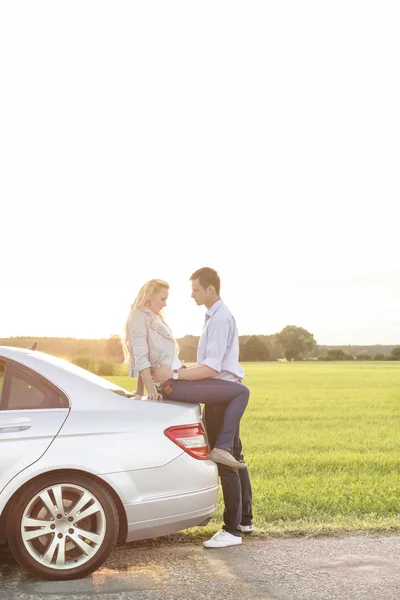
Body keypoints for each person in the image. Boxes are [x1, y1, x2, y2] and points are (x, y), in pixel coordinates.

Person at [154, 267, 253, 548]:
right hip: (221, 389)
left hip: (219, 393)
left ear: (211, 290)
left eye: (196, 289)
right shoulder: (215, 316)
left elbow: (211, 368)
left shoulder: (219, 319)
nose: (192, 294)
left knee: (224, 461)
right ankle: (245, 520)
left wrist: (173, 375)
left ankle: (231, 530)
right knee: (234, 455)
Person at [122, 278, 249, 470]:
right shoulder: (138, 316)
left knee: (238, 393)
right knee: (241, 392)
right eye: (162, 299)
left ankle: (226, 450)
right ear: (149, 296)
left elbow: (159, 356)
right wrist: (149, 391)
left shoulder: (156, 318)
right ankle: (222, 448)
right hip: (171, 383)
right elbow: (142, 357)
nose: (165, 304)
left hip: (177, 377)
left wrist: (181, 370)